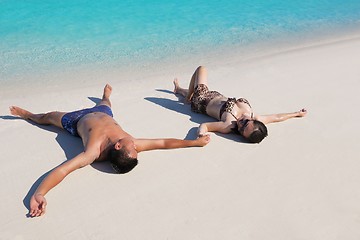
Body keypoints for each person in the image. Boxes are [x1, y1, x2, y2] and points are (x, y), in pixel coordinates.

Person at [10, 84, 210, 217]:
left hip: (76, 120)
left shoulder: (92, 152)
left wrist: (39, 193)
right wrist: (194, 143)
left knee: (47, 117)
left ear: (118, 147)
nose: (136, 145)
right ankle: (106, 95)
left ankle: (28, 115)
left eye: (133, 147)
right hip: (104, 113)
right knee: (105, 103)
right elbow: (163, 143)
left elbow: (63, 170)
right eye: (134, 148)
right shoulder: (130, 144)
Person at [173, 66, 307, 143]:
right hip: (216, 95)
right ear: (253, 120)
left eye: (241, 130)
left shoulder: (228, 125)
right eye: (245, 123)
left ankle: (188, 99)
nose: (240, 124)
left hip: (201, 100)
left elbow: (205, 126)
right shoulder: (255, 116)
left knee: (201, 69)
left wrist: (201, 136)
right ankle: (179, 90)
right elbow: (277, 117)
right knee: (187, 90)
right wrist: (296, 114)